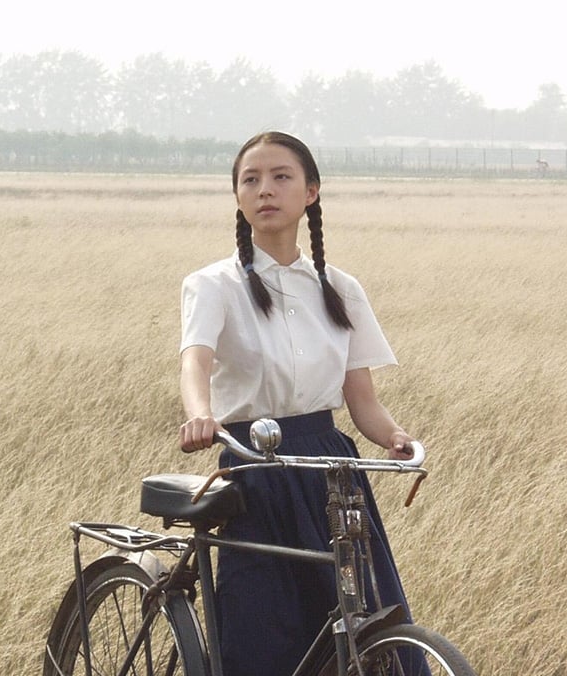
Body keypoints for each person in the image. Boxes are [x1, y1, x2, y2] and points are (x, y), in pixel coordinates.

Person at [177, 131, 421, 676]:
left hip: (332, 470)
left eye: (281, 177)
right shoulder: (212, 285)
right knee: (264, 632)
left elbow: (362, 400)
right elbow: (195, 361)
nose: (265, 189)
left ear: (311, 192)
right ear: (238, 196)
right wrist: (200, 415)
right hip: (255, 470)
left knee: (362, 621)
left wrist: (395, 437)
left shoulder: (340, 288)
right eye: (251, 179)